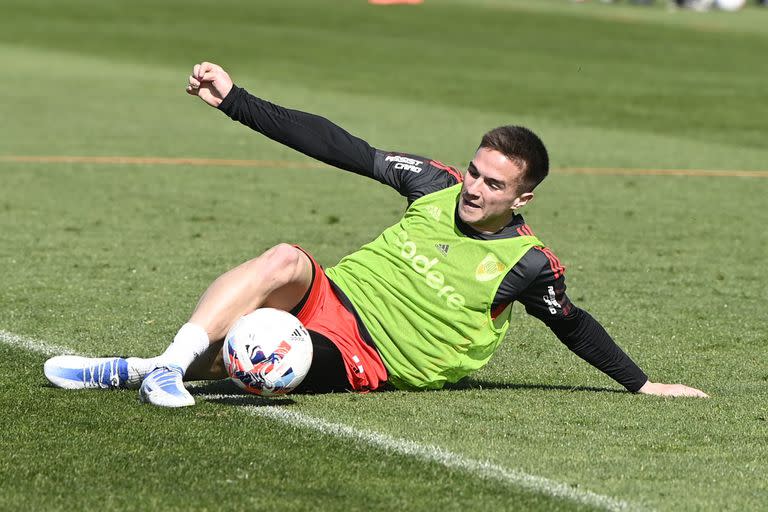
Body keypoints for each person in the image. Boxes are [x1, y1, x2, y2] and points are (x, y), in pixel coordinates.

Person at [43, 62, 708, 407]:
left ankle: (140, 370)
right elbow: (338, 145)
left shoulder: (528, 263)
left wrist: (643, 385)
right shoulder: (432, 183)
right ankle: (167, 364)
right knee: (286, 257)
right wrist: (236, 100)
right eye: (475, 173)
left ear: (523, 195)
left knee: (262, 349)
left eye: (494, 185)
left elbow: (574, 326)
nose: (475, 189)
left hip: (372, 357)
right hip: (329, 295)